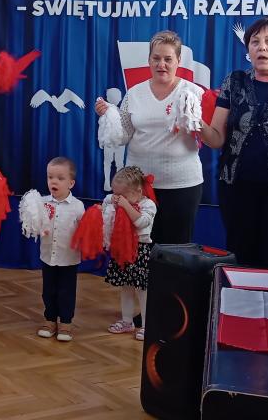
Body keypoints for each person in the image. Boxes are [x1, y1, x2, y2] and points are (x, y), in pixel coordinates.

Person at [200, 18, 268, 276]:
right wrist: (195, 122)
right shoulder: (234, 81)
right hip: (236, 188)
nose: (261, 47)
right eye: (255, 42)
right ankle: (240, 303)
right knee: (241, 258)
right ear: (248, 50)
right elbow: (216, 139)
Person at [95, 30, 203, 245]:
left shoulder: (194, 92)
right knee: (141, 249)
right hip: (138, 187)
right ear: (149, 60)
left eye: (168, 59)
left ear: (178, 60)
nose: (161, 64)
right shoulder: (134, 93)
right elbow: (123, 136)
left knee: (177, 249)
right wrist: (110, 116)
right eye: (156, 58)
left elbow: (206, 135)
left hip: (182, 185)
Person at [103, 166, 157, 342]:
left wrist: (126, 206)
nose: (117, 198)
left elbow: (141, 222)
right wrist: (114, 201)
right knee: (126, 287)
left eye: (122, 195)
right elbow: (105, 204)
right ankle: (127, 321)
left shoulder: (148, 205)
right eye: (115, 194)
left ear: (138, 191)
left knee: (142, 290)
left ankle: (147, 325)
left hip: (140, 251)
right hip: (122, 249)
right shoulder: (118, 201)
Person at [36, 157, 85, 342]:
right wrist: (39, 227)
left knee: (66, 291)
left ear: (71, 183)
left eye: (60, 178)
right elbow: (34, 225)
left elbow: (85, 230)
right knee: (48, 291)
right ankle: (50, 320)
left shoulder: (78, 206)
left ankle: (65, 322)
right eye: (50, 177)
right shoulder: (42, 202)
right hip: (48, 256)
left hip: (69, 258)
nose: (53, 182)